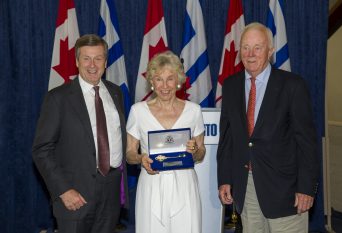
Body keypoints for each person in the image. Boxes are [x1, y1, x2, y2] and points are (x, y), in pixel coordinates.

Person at [217, 22, 319, 233]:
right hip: (246, 188)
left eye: (258, 47)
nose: (250, 54)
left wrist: (306, 188)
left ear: (271, 51)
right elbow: (227, 139)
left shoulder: (293, 85)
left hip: (287, 191)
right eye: (245, 47)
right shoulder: (230, 86)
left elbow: (307, 143)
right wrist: (225, 179)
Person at [32, 34, 128, 233]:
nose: (92, 64)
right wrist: (63, 190)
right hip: (74, 195)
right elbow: (42, 150)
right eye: (86, 58)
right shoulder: (58, 98)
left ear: (106, 61)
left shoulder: (116, 92)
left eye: (98, 58)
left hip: (110, 191)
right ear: (77, 61)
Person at [126, 51, 206, 233]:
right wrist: (141, 159)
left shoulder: (194, 111)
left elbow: (201, 152)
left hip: (185, 187)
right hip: (152, 184)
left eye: (170, 79)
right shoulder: (138, 111)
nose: (164, 85)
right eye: (158, 79)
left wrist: (195, 151)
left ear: (178, 81)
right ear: (151, 82)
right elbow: (130, 153)